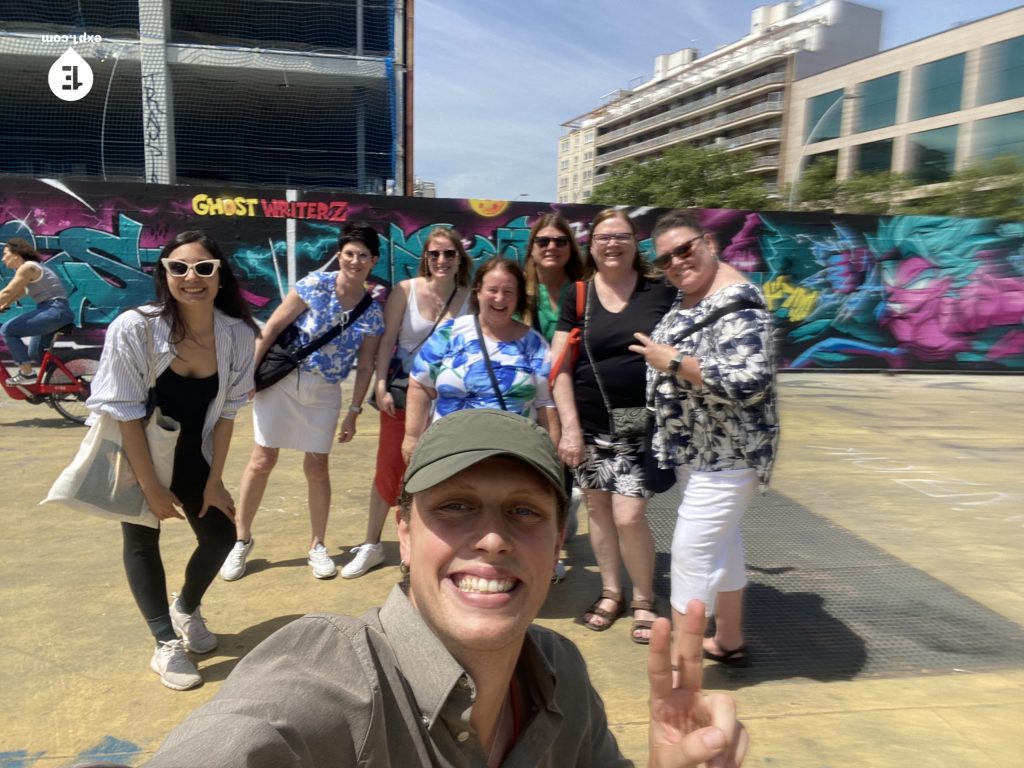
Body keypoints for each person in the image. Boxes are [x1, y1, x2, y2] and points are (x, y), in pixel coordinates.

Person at [131, 409, 748, 767]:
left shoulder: (560, 674)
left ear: (559, 540)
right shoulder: (330, 676)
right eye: (455, 506)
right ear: (403, 533)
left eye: (524, 512)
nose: (492, 539)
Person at [85, 230, 259, 691]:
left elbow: (227, 414)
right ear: (164, 274)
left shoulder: (238, 333)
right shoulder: (134, 328)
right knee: (143, 539)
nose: (191, 277)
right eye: (178, 267)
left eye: (203, 267)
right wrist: (150, 488)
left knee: (221, 534)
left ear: (220, 275)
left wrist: (215, 481)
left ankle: (185, 608)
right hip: (137, 455)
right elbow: (125, 413)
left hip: (193, 453)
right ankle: (164, 642)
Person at [630, 210, 779, 669]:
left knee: (690, 555)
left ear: (709, 243)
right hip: (698, 451)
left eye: (684, 249)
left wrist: (674, 363)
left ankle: (682, 669)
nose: (676, 262)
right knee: (723, 544)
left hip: (728, 456)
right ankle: (728, 640)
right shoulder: (694, 294)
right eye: (665, 259)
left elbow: (750, 381)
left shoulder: (741, 303)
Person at [219, 222, 384, 582]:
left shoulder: (372, 311)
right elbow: (272, 328)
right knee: (262, 459)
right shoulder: (315, 284)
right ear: (339, 255)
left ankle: (317, 545)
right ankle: (241, 539)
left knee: (317, 467)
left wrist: (354, 411)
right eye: (349, 253)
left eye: (363, 256)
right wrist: (249, 375)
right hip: (282, 382)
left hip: (324, 392)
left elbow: (367, 364)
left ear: (373, 261)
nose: (355, 261)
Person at [549, 209, 676, 644]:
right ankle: (611, 593)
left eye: (620, 236)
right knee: (598, 509)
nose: (612, 244)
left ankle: (644, 597)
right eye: (603, 237)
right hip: (589, 421)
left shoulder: (661, 291)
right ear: (592, 245)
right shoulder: (578, 294)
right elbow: (559, 367)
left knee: (629, 515)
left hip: (642, 421)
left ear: (635, 241)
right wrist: (569, 429)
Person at [341, 226, 472, 579]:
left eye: (448, 253)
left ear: (459, 258)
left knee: (442, 473)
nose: (441, 260)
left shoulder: (469, 298)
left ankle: (432, 546)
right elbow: (386, 342)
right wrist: (381, 384)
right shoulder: (405, 291)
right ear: (425, 257)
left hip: (449, 402)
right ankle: (371, 544)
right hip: (403, 396)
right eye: (434, 254)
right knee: (390, 466)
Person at [401, 256, 556, 463]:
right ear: (478, 292)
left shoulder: (534, 344)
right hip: (450, 452)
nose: (499, 298)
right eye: (492, 290)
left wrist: (552, 458)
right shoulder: (450, 333)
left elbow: (545, 404)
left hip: (514, 457)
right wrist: (412, 437)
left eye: (508, 292)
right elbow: (420, 385)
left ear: (518, 296)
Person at [522, 213, 587, 580]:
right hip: (528, 397)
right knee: (532, 471)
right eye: (543, 241)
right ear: (532, 247)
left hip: (572, 393)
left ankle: (553, 546)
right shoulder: (520, 291)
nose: (551, 247)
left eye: (560, 241)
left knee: (561, 469)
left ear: (570, 248)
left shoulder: (583, 290)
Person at [0, 237, 74, 383]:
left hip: (53, 310)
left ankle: (27, 374)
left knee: (8, 330)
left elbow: (8, 292)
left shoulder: (27, 267)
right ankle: (63, 380)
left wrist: (5, 300)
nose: (3, 259)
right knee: (35, 353)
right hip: (54, 311)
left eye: (5, 254)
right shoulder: (32, 268)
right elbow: (17, 293)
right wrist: (4, 305)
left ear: (16, 254)